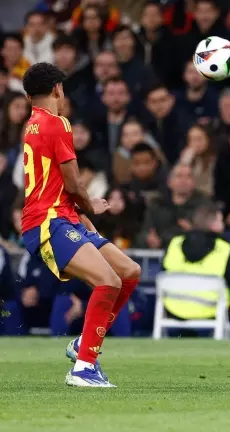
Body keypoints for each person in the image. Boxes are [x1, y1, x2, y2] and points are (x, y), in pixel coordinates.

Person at [20, 62, 141, 388]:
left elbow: (59, 186)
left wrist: (83, 215)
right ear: (58, 89)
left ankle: (83, 345)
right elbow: (73, 183)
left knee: (128, 272)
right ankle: (84, 367)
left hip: (64, 217)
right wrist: (92, 205)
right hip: (49, 221)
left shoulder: (32, 125)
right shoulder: (58, 123)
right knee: (107, 281)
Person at [161, 202, 230, 337]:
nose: (223, 224)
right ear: (213, 224)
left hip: (173, 308)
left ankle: (186, 340)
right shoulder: (226, 249)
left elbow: (163, 274)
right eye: (220, 220)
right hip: (212, 310)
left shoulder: (173, 244)